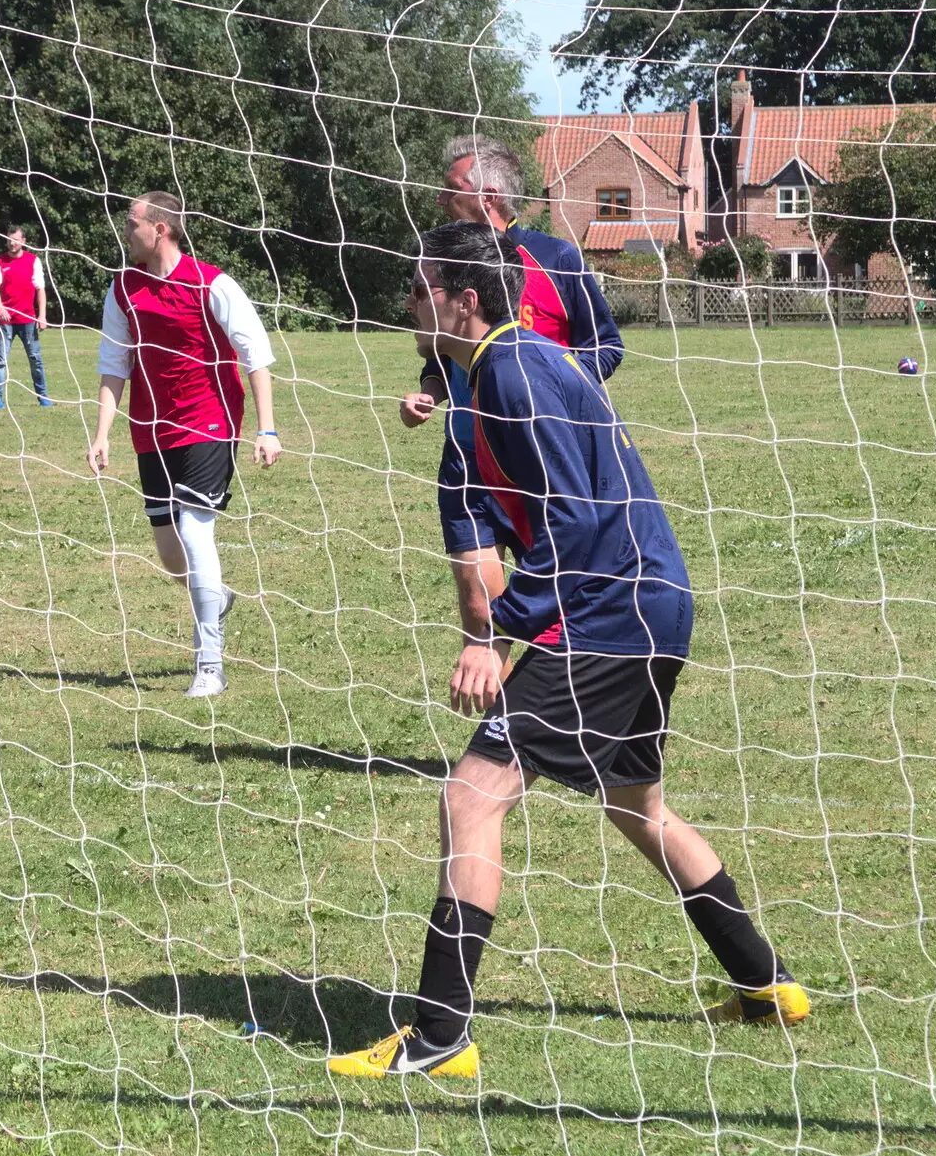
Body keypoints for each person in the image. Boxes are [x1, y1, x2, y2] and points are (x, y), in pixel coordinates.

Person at [329, 222, 807, 1080]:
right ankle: (766, 983)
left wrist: (503, 635)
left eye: (416, 287)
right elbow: (472, 513)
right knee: (638, 807)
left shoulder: (516, 370)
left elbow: (572, 521)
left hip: (608, 615)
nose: (405, 303)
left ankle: (439, 1036)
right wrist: (479, 621)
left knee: (471, 799)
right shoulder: (485, 377)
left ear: (461, 299)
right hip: (649, 607)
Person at [400, 136, 624, 654]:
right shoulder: (446, 264)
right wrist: (431, 391)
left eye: (450, 190)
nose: (439, 200)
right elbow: (443, 349)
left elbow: (606, 346)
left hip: (539, 459)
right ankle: (499, 727)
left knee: (558, 604)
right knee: (479, 609)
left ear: (490, 195)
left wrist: (554, 385)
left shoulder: (553, 257)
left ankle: (555, 712)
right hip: (466, 455)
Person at [87, 191, 282, 698]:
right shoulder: (123, 289)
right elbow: (114, 365)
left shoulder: (211, 283)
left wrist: (267, 428)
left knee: (197, 535)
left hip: (210, 421)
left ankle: (209, 665)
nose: (125, 230)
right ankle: (215, 597)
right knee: (172, 556)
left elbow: (255, 355)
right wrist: (102, 433)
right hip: (150, 430)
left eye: (132, 223)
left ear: (161, 229)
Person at [0, 225, 51, 408]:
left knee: (35, 359)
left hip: (27, 319)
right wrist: (1, 308)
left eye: (16, 239)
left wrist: (42, 315)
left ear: (23, 241)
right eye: (9, 239)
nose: (12, 243)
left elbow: (40, 289)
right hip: (4, 321)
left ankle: (43, 396)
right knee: (1, 360)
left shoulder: (33, 261)